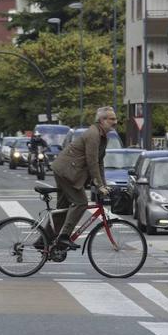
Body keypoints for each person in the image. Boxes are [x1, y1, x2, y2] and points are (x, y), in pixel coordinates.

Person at [45, 106, 118, 250]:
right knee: (81, 203)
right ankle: (64, 237)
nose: (115, 121)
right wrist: (99, 185)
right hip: (66, 172)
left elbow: (100, 162)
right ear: (102, 120)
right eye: (112, 119)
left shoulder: (102, 136)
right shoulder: (93, 135)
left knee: (63, 209)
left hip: (66, 171)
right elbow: (92, 162)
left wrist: (103, 184)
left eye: (115, 118)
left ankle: (43, 241)